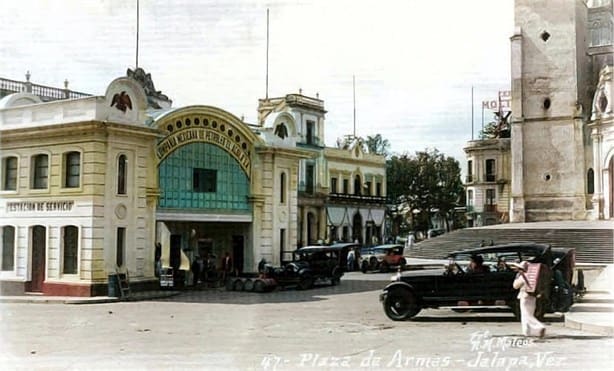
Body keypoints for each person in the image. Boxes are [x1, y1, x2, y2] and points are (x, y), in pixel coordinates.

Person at [512, 261, 546, 337]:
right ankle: (526, 332)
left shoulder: (522, 276)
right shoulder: (533, 277)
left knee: (526, 315)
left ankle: (539, 326)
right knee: (529, 314)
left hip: (524, 296)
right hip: (533, 296)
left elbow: (515, 286)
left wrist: (516, 278)